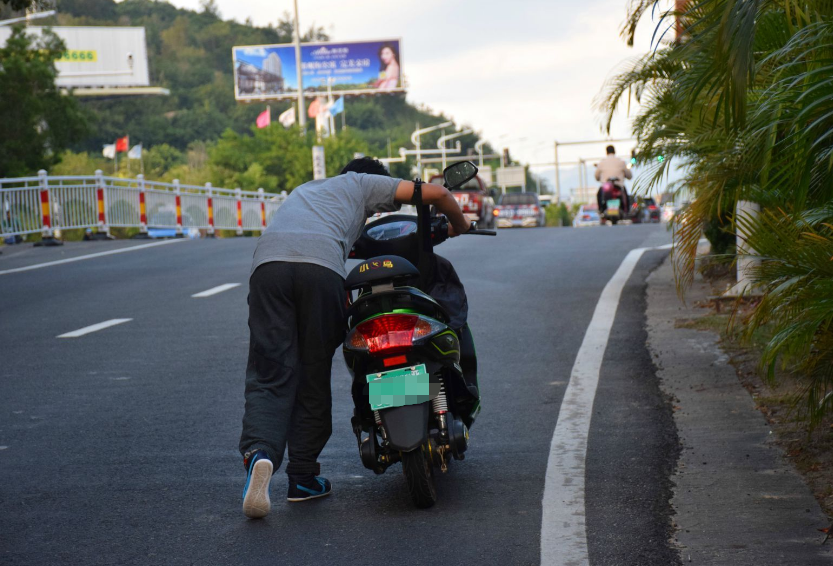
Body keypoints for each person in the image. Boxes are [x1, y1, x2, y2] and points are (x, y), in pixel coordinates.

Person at [239, 157, 470, 519]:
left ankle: (260, 454)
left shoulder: (307, 191)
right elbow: (437, 193)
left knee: (270, 373)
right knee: (312, 373)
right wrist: (460, 224)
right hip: (320, 272)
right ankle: (301, 477)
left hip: (268, 269)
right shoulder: (362, 183)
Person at [595, 145, 632, 216]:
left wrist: (599, 178)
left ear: (606, 152)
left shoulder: (602, 162)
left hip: (606, 186)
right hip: (618, 185)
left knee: (599, 194)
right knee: (625, 195)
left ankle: (600, 210)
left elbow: (596, 176)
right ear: (614, 151)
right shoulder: (621, 162)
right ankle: (627, 210)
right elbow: (629, 175)